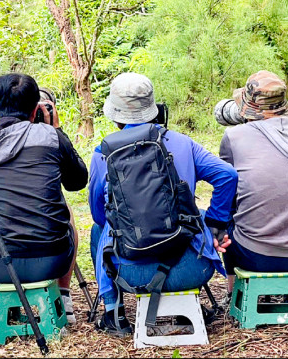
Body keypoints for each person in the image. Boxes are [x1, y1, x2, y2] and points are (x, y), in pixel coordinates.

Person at [89, 73, 238, 336]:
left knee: (99, 230)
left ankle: (114, 313)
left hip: (131, 274)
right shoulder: (182, 143)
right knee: (199, 215)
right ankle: (184, 302)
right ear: (153, 109)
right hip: (193, 268)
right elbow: (227, 176)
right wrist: (215, 224)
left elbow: (99, 215)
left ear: (115, 113)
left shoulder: (104, 154)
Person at [0, 74, 88, 324]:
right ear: (35, 109)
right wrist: (56, 130)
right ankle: (63, 297)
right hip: (52, 260)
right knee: (68, 214)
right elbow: (77, 182)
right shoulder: (50, 137)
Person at [219, 71, 288, 292]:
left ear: (249, 105)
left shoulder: (234, 136)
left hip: (254, 256)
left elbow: (226, 186)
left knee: (227, 203)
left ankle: (232, 291)